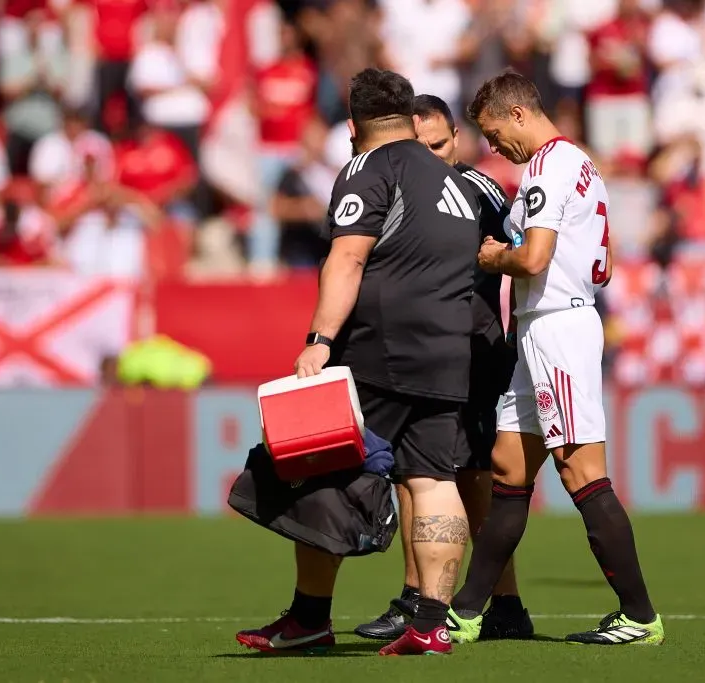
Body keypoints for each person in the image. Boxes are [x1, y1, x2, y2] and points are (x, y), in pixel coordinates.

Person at [235, 68, 479, 657]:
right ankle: (430, 621)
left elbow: (347, 258)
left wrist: (319, 338)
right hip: (449, 351)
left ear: (353, 126)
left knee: (317, 465)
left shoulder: (368, 168)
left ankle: (309, 618)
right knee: (434, 479)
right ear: (411, 119)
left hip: (380, 349)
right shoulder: (451, 179)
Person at [445, 70, 665, 646]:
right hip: (548, 326)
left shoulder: (546, 164)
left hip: (556, 329)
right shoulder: (584, 166)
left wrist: (494, 255)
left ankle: (640, 616)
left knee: (579, 469)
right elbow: (606, 263)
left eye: (494, 134)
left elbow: (534, 258)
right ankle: (468, 611)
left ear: (518, 114)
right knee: (508, 468)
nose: (494, 148)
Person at [353, 93, 531, 642]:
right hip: (440, 351)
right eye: (419, 147)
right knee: (429, 476)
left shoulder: (475, 188)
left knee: (457, 477)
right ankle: (479, 604)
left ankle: (470, 603)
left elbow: (525, 245)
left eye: (438, 146)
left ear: (457, 141)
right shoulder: (408, 187)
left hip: (472, 352)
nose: (429, 157)